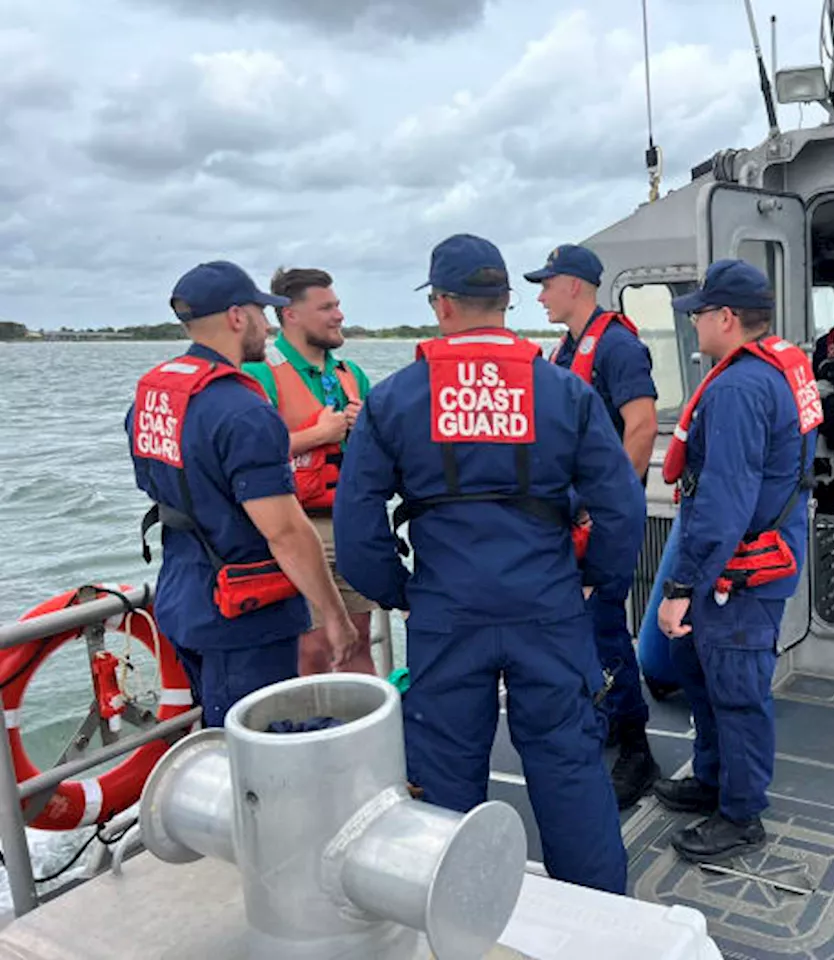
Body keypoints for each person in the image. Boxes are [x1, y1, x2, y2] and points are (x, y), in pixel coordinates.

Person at [332, 234, 645, 894]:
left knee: (444, 777)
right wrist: (592, 582)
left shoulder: (392, 399)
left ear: (442, 305)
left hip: (447, 610)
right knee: (569, 767)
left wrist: (405, 592)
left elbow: (357, 530)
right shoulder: (566, 392)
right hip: (550, 606)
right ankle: (600, 925)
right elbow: (620, 509)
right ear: (505, 302)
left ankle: (452, 914)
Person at [127, 261, 359, 728]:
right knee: (256, 745)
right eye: (261, 313)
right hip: (243, 611)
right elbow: (286, 531)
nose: (267, 325)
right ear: (237, 317)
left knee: (218, 729)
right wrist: (335, 615)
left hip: (180, 597)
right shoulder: (243, 411)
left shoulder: (154, 392)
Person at [654, 259, 821, 862]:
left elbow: (723, 503)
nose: (693, 323)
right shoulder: (776, 370)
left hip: (740, 571)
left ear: (725, 318)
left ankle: (741, 814)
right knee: (699, 670)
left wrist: (679, 587)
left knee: (737, 687)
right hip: (750, 558)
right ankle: (712, 778)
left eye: (699, 313)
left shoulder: (738, 388)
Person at [524, 243, 661, 810]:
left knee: (604, 630)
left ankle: (637, 746)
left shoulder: (620, 347)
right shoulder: (565, 350)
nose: (539, 295)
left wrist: (611, 506)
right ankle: (605, 717)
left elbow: (643, 426)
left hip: (598, 521)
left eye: (547, 284)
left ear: (574, 286)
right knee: (577, 629)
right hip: (569, 520)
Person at [243, 267, 377, 676]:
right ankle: (316, 735)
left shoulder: (352, 375)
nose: (339, 315)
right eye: (327, 308)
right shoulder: (260, 374)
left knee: (358, 644)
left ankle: (372, 736)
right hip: (298, 528)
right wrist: (315, 435)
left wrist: (364, 428)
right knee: (313, 651)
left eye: (337, 306)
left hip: (352, 526)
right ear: (291, 315)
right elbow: (242, 457)